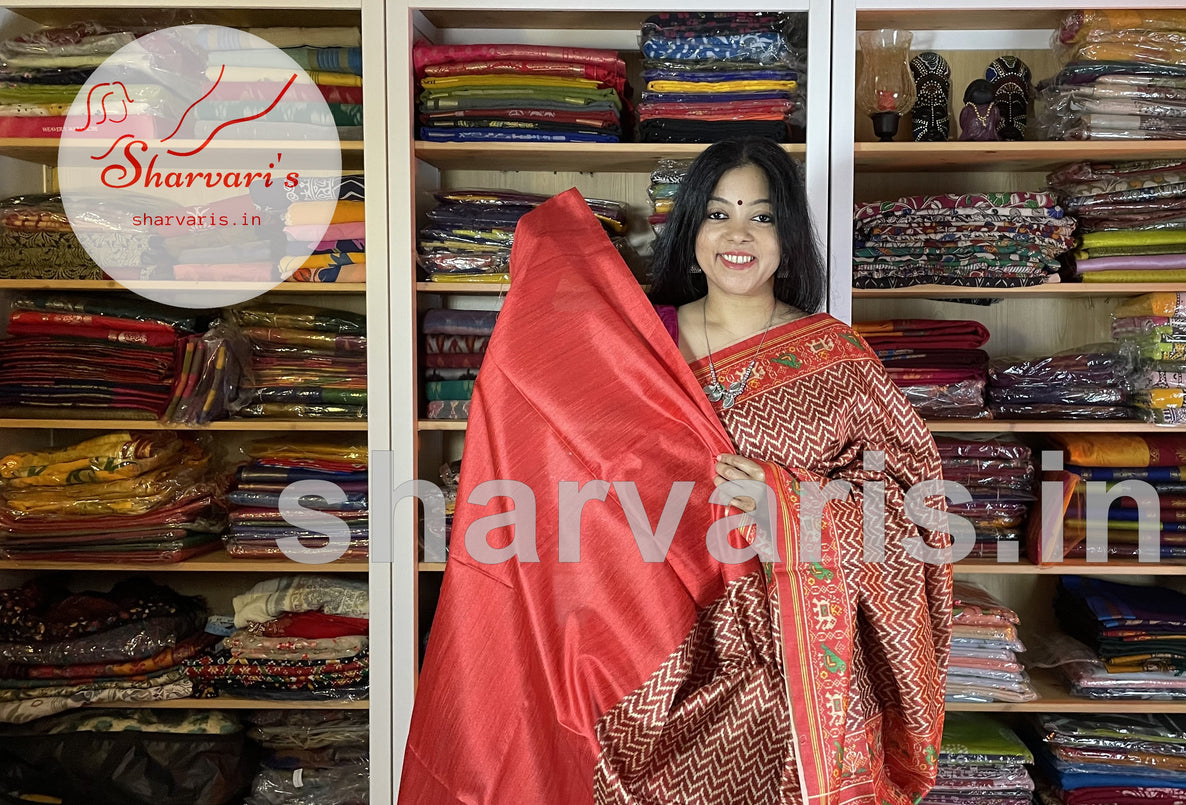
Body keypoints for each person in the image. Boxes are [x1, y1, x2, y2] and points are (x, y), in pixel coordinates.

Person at [398, 137, 949, 805]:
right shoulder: (633, 346)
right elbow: (551, 459)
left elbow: (915, 503)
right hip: (636, 653)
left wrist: (800, 513)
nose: (737, 234)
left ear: (789, 234)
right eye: (717, 214)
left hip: (796, 670)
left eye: (762, 216)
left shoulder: (836, 358)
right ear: (690, 231)